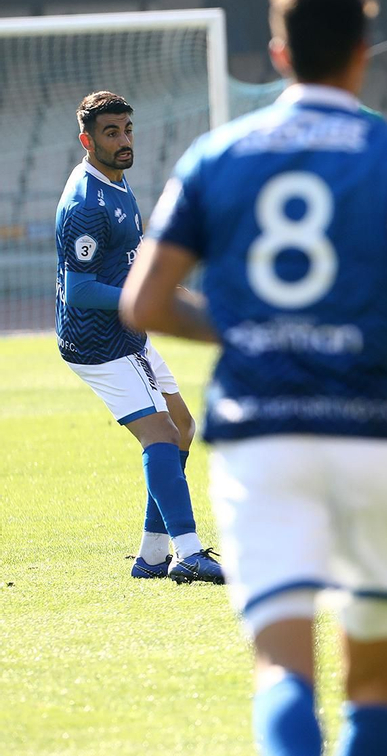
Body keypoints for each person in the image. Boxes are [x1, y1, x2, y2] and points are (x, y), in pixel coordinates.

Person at [121, 0, 387, 756]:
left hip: (261, 432)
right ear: (364, 51)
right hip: (375, 428)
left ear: (278, 53)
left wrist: (249, 327)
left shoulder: (215, 154)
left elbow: (144, 303)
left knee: (283, 669)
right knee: (370, 683)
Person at [54, 91, 223, 585]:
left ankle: (152, 557)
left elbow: (131, 256)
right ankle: (189, 553)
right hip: (98, 343)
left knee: (182, 428)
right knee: (162, 436)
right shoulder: (84, 204)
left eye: (127, 129)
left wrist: (163, 286)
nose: (124, 141)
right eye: (111, 133)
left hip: (128, 331)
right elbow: (80, 290)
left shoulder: (116, 182)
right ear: (88, 140)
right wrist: (150, 301)